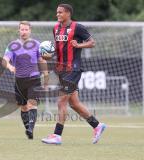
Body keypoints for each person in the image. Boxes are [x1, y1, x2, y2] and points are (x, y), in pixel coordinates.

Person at [41, 4, 106, 145]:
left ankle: (57, 135)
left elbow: (92, 42)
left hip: (73, 69)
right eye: (57, 12)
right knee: (74, 104)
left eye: (60, 12)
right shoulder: (56, 28)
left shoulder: (78, 27)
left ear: (68, 13)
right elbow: (58, 48)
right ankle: (97, 125)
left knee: (61, 101)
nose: (57, 14)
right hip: (61, 70)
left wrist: (79, 45)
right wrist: (48, 55)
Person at [3, 21, 48, 139]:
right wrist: (10, 66)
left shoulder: (37, 44)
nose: (24, 32)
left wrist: (46, 76)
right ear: (19, 31)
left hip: (34, 78)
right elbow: (5, 60)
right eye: (22, 29)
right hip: (19, 80)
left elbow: (42, 61)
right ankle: (28, 127)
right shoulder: (12, 45)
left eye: (26, 29)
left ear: (30, 30)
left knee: (32, 104)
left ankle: (30, 129)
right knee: (23, 106)